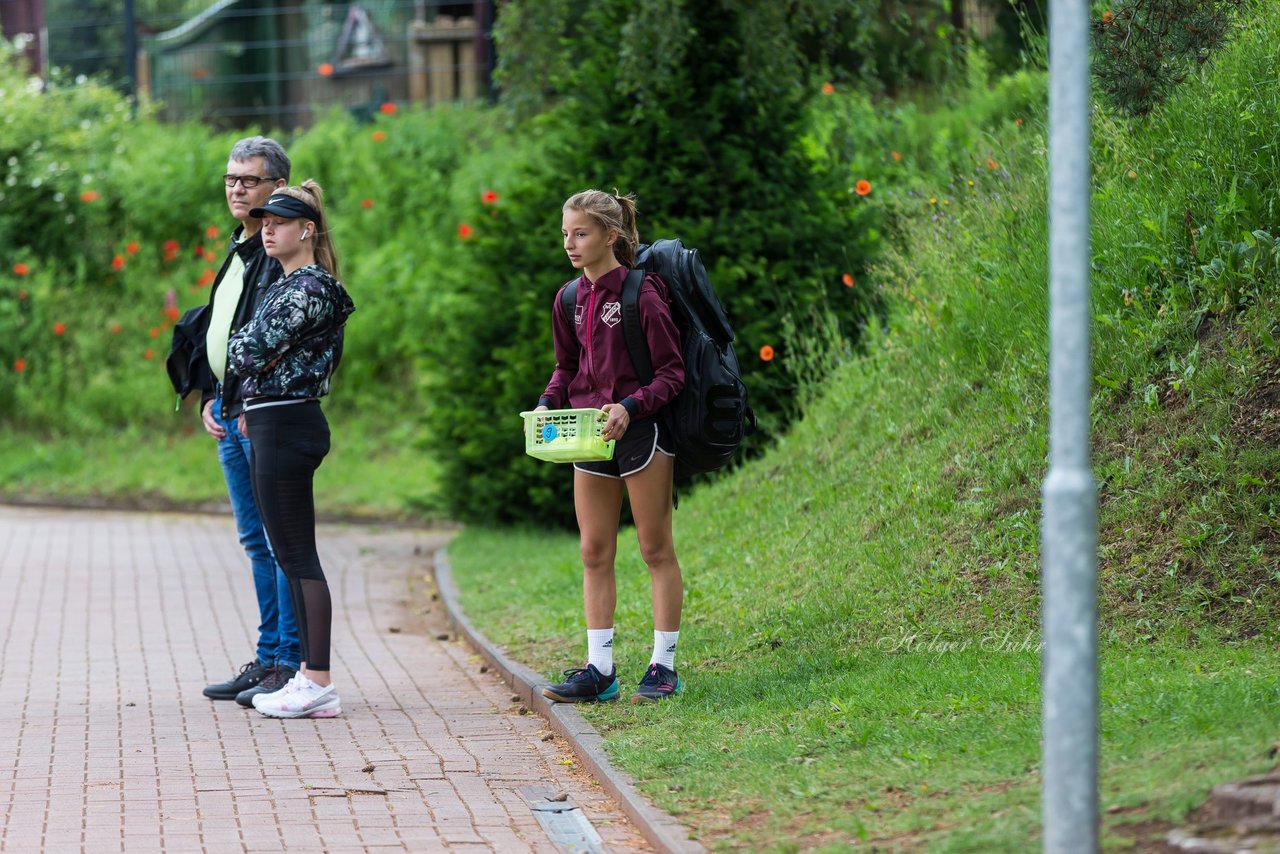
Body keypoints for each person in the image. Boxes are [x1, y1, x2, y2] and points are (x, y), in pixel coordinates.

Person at [535, 189, 687, 704]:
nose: (570, 244)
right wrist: (546, 403)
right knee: (593, 550)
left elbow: (673, 374)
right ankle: (600, 671)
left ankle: (663, 667)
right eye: (565, 234)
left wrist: (631, 406)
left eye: (581, 233)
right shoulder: (568, 299)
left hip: (643, 435)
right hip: (586, 437)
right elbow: (567, 368)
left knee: (654, 548)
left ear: (610, 236)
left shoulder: (643, 295)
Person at [226, 181, 355, 719]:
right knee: (289, 554)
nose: (268, 229)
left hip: (286, 423)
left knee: (298, 557)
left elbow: (244, 350)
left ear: (307, 229)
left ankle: (316, 679)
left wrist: (247, 350)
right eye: (265, 221)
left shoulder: (310, 288)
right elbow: (244, 351)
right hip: (273, 422)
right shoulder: (283, 285)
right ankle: (307, 677)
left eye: (279, 221)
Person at [197, 136, 303, 708]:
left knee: (278, 541)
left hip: (259, 417)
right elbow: (220, 331)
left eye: (250, 180)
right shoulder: (242, 246)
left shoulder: (279, 250)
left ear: (278, 187)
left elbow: (285, 343)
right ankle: (269, 656)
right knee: (255, 541)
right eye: (231, 179)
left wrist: (249, 403)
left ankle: (288, 662)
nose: (237, 188)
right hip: (230, 411)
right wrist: (213, 396)